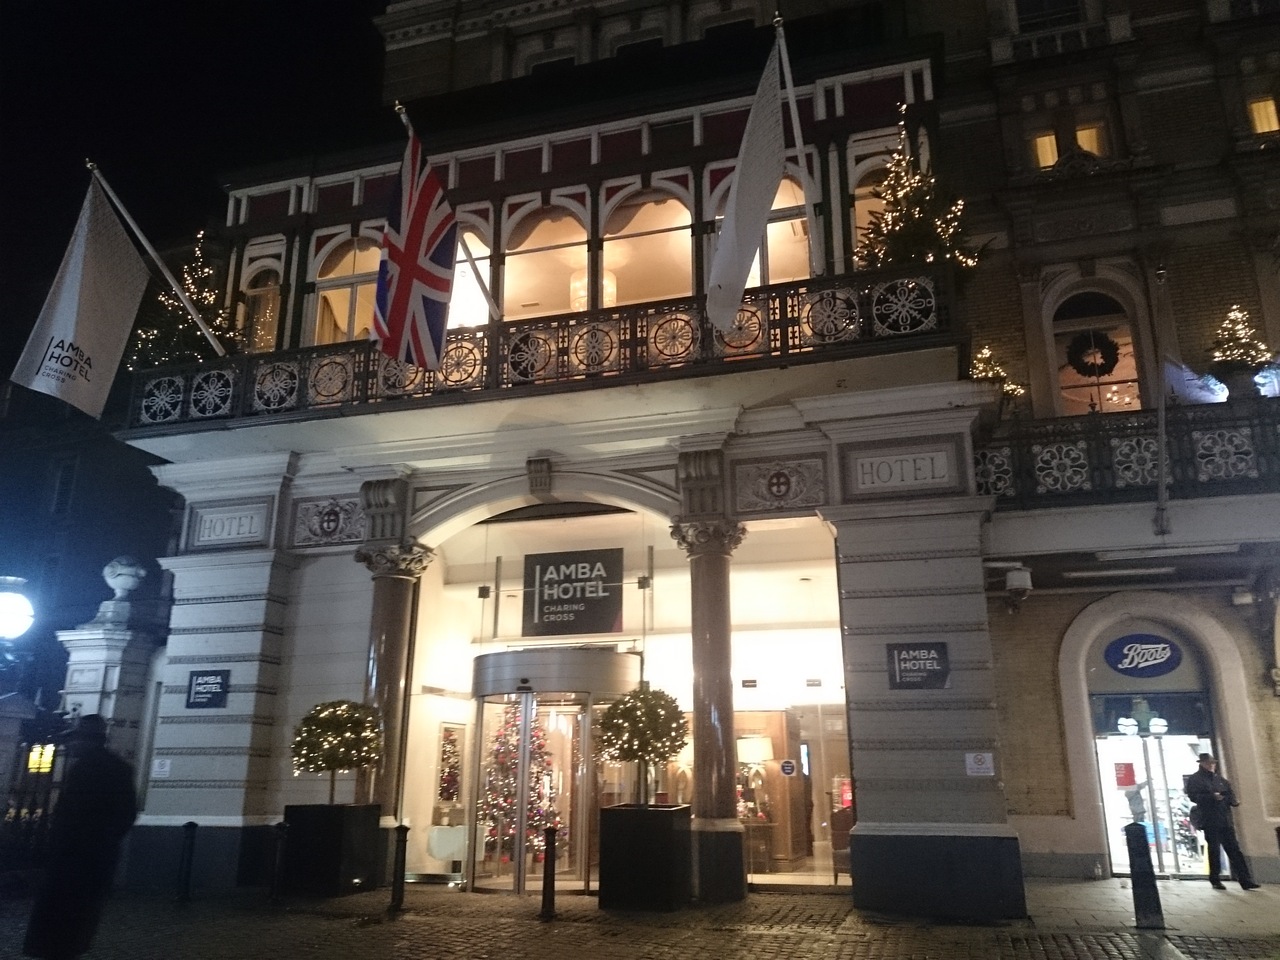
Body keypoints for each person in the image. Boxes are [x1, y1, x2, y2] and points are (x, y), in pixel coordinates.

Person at [24, 714, 138, 960]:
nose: (71, 745)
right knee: (79, 918)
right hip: (93, 858)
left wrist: (80, 843)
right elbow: (126, 815)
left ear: (88, 740)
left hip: (74, 857)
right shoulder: (118, 768)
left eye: (76, 739)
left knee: (61, 919)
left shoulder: (87, 769)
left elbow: (76, 815)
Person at [1184, 752, 1261, 891]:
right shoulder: (1196, 779)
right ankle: (1215, 879)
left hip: (1224, 819)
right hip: (1210, 820)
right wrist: (1211, 797)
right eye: (1208, 763)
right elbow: (1193, 796)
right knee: (1214, 850)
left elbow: (1229, 793)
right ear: (1202, 763)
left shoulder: (1219, 779)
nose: (1211, 765)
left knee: (1234, 850)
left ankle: (1245, 880)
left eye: (1212, 763)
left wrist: (1233, 801)